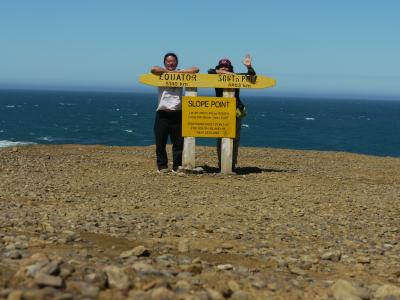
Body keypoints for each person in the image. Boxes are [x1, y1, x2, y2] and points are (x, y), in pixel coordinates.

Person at [151, 53, 199, 173]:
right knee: (160, 142)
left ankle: (177, 166)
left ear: (176, 63)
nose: (170, 63)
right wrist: (168, 73)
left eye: (173, 61)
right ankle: (162, 166)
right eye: (168, 61)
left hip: (177, 113)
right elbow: (153, 69)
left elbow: (196, 69)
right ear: (165, 63)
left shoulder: (181, 73)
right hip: (162, 113)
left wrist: (177, 73)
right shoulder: (160, 74)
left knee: (178, 143)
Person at [208, 54, 256, 172]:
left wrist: (249, 67)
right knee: (221, 138)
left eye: (226, 67)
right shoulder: (216, 75)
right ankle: (222, 163)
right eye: (222, 67)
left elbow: (252, 77)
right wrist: (230, 74)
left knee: (235, 138)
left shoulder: (237, 77)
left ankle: (232, 164)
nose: (224, 69)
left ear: (230, 68)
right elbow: (210, 71)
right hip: (221, 112)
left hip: (235, 111)